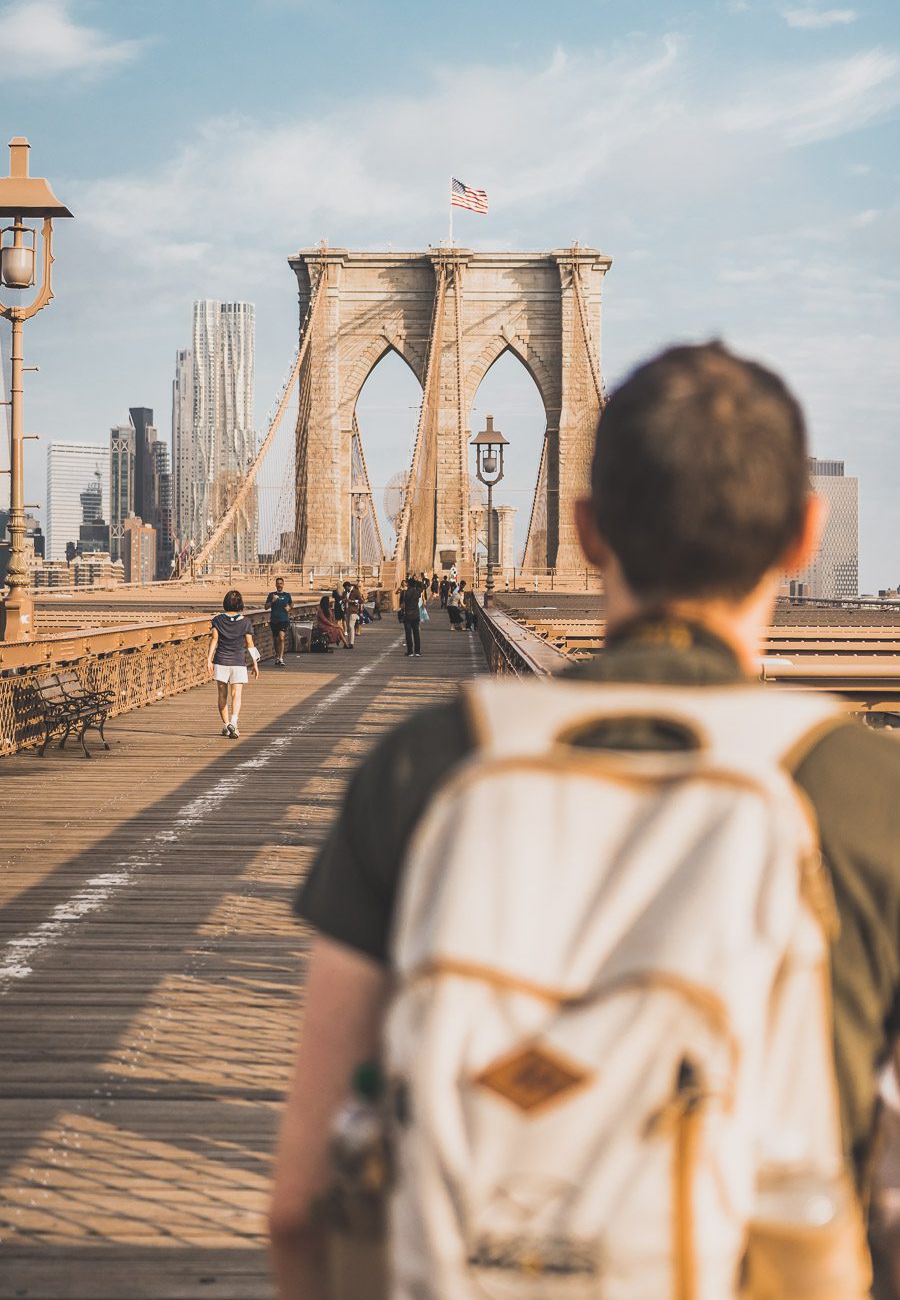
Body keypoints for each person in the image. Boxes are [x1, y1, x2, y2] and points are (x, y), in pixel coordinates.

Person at [271, 342, 900, 1295]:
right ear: (804, 536)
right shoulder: (863, 789)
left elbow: (301, 1206)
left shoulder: (428, 766)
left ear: (589, 530)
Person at [207, 589, 258, 739]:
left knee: (222, 695)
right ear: (240, 604)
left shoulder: (217, 620)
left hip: (221, 660)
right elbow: (250, 644)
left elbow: (214, 640)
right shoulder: (246, 622)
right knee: (236, 694)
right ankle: (234, 723)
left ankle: (226, 724)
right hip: (238, 661)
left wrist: (209, 659)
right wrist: (255, 662)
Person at [265, 576, 293, 667]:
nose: (279, 585)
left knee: (281, 638)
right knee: (276, 640)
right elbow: (266, 607)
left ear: (283, 584)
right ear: (276, 585)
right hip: (274, 620)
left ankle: (281, 658)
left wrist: (290, 607)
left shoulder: (287, 595)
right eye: (278, 583)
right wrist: (272, 601)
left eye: (281, 583)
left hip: (284, 620)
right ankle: (277, 657)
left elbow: (291, 603)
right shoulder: (271, 595)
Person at [400, 574, 424, 657]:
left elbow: (401, 604)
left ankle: (410, 651)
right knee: (416, 633)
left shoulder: (404, 593)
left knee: (408, 634)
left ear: (408, 584)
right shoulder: (417, 593)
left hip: (407, 615)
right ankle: (417, 651)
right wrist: (416, 581)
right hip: (416, 615)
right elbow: (422, 585)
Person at [341, 582, 357, 649]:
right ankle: (348, 643)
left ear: (348, 586)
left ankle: (351, 643)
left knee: (351, 626)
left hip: (353, 611)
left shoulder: (355, 592)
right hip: (347, 611)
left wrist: (352, 601)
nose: (345, 589)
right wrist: (343, 600)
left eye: (345, 588)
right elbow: (341, 601)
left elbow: (361, 600)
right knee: (348, 628)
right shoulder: (344, 593)